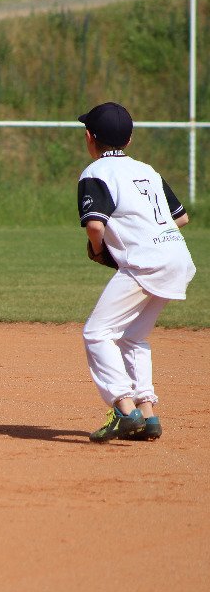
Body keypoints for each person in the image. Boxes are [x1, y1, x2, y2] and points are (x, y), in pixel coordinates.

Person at [75, 102, 196, 443]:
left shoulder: (94, 173)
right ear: (128, 140)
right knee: (132, 337)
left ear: (89, 138)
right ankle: (148, 414)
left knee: (97, 333)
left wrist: (99, 251)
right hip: (178, 259)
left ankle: (124, 410)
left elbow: (95, 225)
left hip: (146, 264)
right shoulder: (147, 170)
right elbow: (181, 217)